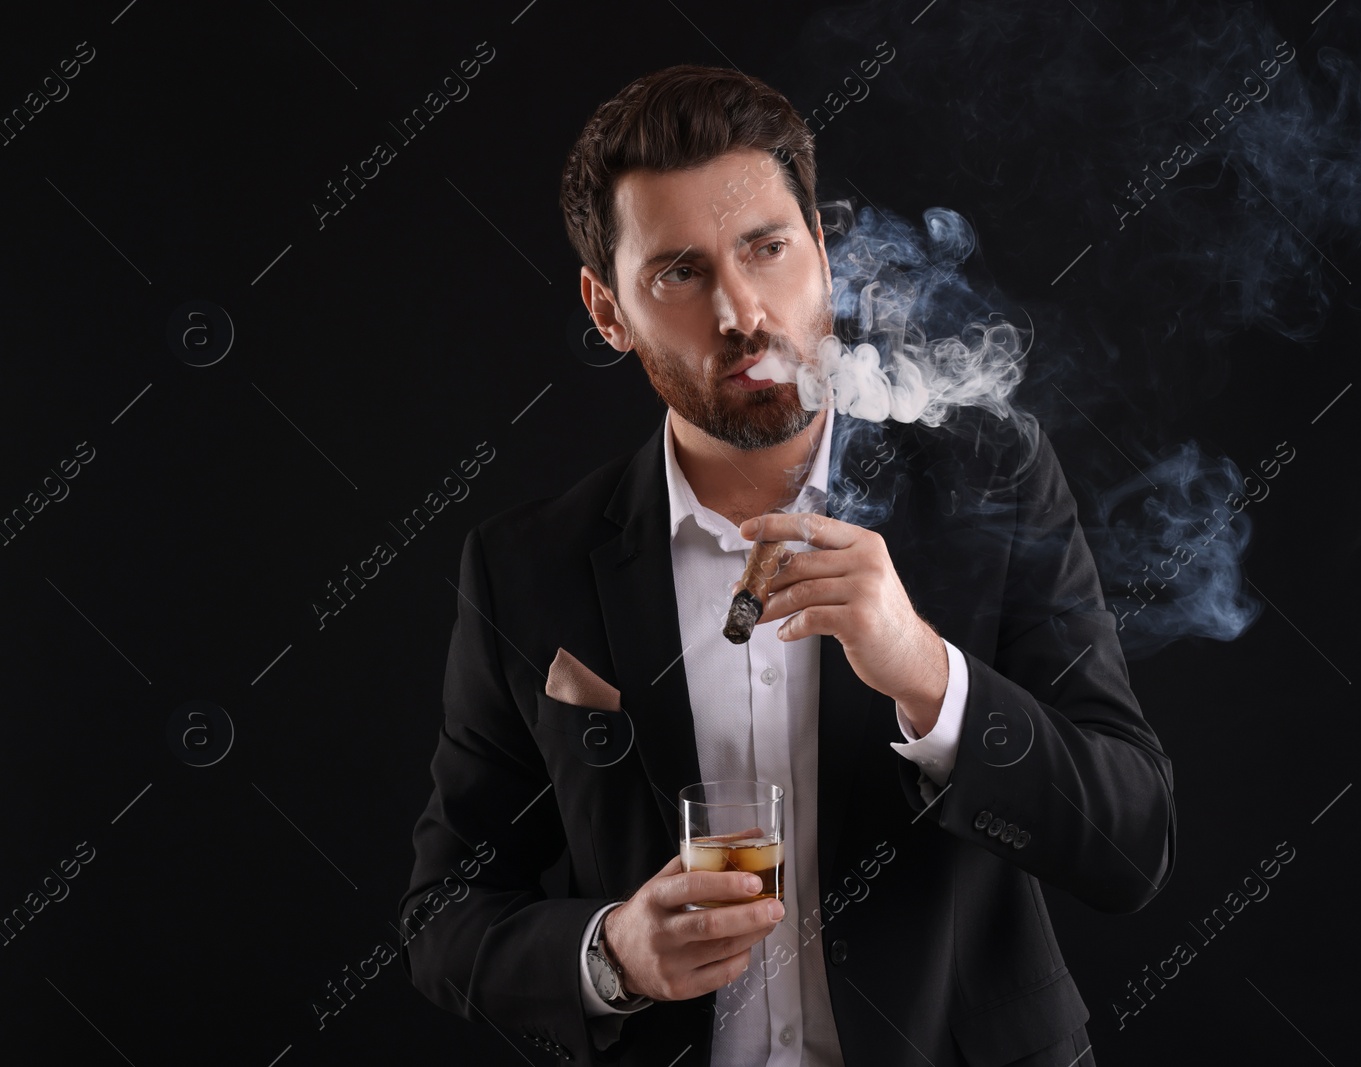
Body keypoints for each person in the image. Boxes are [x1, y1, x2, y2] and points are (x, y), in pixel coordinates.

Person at [398, 64, 1175, 1067]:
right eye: (679, 272)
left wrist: (927, 676)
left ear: (822, 249)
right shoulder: (524, 564)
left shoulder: (995, 480)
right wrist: (613, 953)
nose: (741, 313)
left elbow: (1130, 842)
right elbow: (443, 914)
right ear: (606, 310)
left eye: (766, 248)